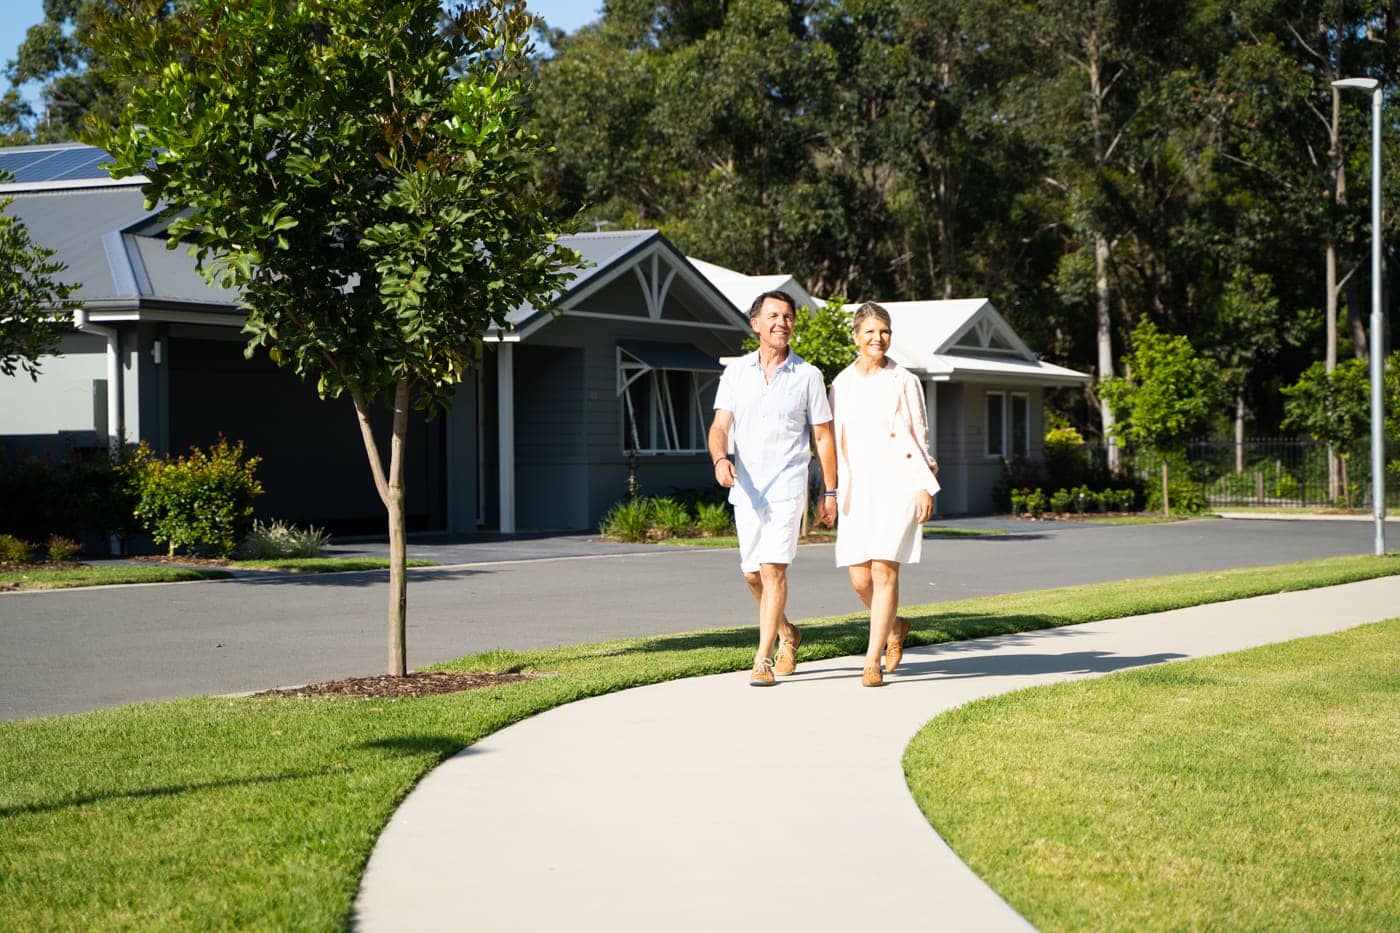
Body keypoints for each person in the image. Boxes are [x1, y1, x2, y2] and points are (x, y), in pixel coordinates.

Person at [709, 290, 838, 687]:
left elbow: (824, 438)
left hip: (787, 485)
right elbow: (719, 427)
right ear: (756, 324)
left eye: (787, 316)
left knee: (772, 568)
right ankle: (787, 633)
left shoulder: (808, 376)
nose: (782, 322)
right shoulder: (735, 373)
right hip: (746, 487)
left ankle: (763, 659)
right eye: (773, 316)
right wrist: (720, 458)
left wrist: (830, 491)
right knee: (752, 575)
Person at [829, 301, 940, 687]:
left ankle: (871, 661)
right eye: (871, 332)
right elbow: (833, 441)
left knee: (883, 569)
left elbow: (920, 435)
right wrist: (829, 490)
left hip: (897, 485)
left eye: (885, 332)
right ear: (856, 336)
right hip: (857, 488)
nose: (879, 339)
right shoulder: (841, 384)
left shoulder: (904, 380)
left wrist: (924, 484)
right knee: (861, 579)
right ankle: (896, 626)